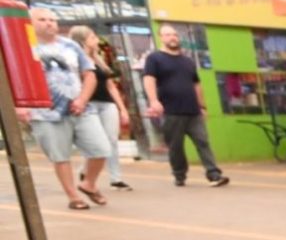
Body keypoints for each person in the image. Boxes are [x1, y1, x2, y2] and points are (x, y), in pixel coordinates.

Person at [21, 8, 111, 211]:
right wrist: (20, 106)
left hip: (80, 108)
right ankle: (73, 196)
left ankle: (88, 183)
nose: (49, 23)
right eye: (43, 19)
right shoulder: (24, 47)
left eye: (52, 19)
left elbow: (89, 74)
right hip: (46, 113)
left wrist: (82, 99)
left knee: (101, 149)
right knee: (60, 156)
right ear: (31, 23)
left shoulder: (70, 45)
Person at [143, 24, 228, 187]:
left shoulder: (187, 61)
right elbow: (149, 79)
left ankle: (214, 174)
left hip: (193, 111)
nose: (172, 38)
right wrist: (154, 101)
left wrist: (202, 106)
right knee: (176, 146)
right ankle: (179, 175)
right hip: (171, 111)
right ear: (161, 38)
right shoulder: (155, 59)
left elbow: (196, 85)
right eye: (168, 35)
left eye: (174, 35)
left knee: (203, 141)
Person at [68, 26, 132, 191]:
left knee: (111, 140)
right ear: (82, 41)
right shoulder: (75, 61)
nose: (96, 40)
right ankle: (85, 171)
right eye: (92, 37)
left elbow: (111, 86)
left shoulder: (99, 60)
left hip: (107, 104)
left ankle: (115, 178)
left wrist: (122, 109)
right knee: (97, 141)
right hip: (89, 105)